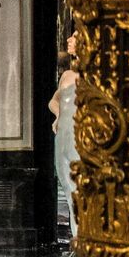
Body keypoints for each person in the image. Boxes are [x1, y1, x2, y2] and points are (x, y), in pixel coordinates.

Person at [50, 33, 79, 238]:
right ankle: (79, 245)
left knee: (83, 192)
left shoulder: (97, 75)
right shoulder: (67, 75)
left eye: (76, 36)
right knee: (70, 193)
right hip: (63, 135)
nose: (69, 39)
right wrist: (59, 114)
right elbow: (54, 101)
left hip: (82, 136)